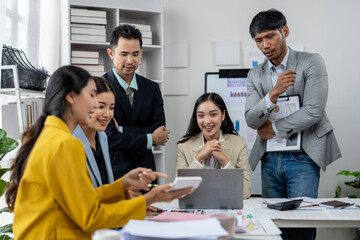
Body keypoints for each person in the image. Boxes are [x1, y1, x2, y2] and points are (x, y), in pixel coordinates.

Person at [5, 65, 192, 240]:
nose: (96, 106)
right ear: (71, 97)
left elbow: (82, 199)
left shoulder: (52, 135)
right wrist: (149, 199)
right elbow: (90, 216)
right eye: (92, 96)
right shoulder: (65, 144)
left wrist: (122, 185)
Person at [245, 9, 341, 240]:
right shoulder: (255, 75)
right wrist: (273, 94)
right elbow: (251, 118)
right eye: (259, 40)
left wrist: (275, 128)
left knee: (302, 224)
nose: (265, 45)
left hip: (303, 157)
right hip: (270, 158)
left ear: (284, 31)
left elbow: (314, 111)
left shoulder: (311, 62)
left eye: (270, 36)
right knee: (273, 226)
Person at [104, 24, 169, 179]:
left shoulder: (152, 88)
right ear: (111, 53)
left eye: (135, 54)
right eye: (124, 54)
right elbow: (109, 138)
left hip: (146, 172)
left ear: (141, 53)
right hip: (115, 174)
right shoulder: (100, 88)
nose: (130, 60)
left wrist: (121, 130)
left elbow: (160, 130)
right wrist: (149, 138)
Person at [176, 92, 251, 199]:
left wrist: (223, 159)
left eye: (213, 114)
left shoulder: (239, 144)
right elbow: (179, 192)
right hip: (196, 208)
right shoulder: (183, 145)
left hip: (227, 206)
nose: (207, 121)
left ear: (223, 115)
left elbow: (245, 192)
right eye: (201, 115)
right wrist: (199, 158)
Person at [73, 76, 116, 188]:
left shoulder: (102, 137)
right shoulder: (70, 142)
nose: (107, 114)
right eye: (100, 106)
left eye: (111, 108)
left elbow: (105, 187)